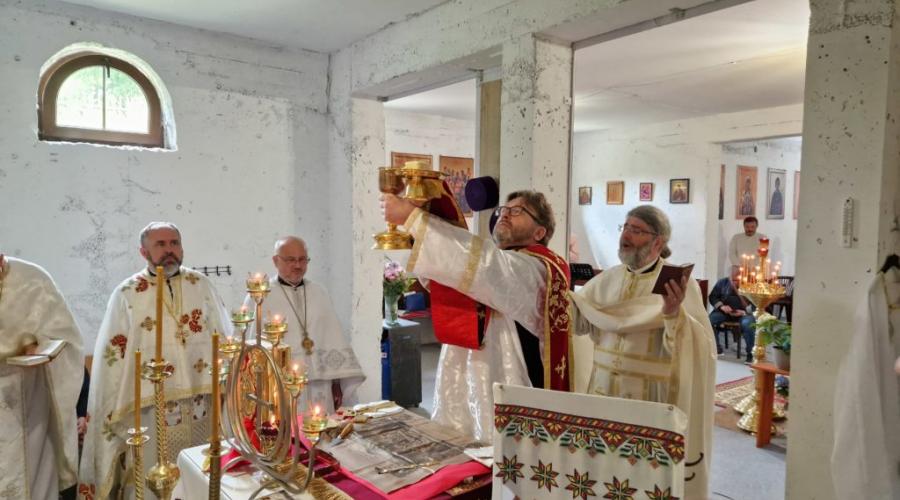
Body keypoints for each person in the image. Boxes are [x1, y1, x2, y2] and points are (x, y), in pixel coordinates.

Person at [381, 190, 571, 441]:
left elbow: (487, 267)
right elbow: (443, 277)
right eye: (503, 210)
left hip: (507, 383)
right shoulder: (505, 261)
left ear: (539, 232)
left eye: (517, 211)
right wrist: (421, 224)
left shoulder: (534, 267)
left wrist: (415, 219)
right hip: (470, 381)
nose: (505, 215)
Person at [568, 205, 716, 500]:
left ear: (658, 242)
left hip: (647, 400)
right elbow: (581, 322)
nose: (625, 235)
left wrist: (673, 314)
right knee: (601, 472)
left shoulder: (678, 286)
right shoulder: (607, 279)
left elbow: (699, 346)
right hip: (602, 394)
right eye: (625, 227)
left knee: (643, 479)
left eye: (636, 230)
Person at [79, 222, 232, 500]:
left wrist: (228, 383)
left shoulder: (201, 285)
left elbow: (224, 336)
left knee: (201, 473)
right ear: (143, 251)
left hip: (202, 403)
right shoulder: (127, 293)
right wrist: (111, 405)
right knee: (152, 478)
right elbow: (111, 356)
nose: (169, 250)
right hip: (148, 406)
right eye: (160, 244)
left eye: (174, 243)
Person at [242, 236, 364, 414]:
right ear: (276, 261)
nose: (297, 265)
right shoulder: (260, 295)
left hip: (320, 382)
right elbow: (252, 344)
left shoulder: (319, 292)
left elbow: (332, 336)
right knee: (286, 426)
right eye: (290, 260)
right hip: (279, 382)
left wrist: (337, 382)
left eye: (302, 259)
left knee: (321, 425)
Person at [0, 254, 84, 499]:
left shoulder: (33, 279)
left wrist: (40, 348)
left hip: (26, 397)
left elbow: (66, 339)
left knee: (32, 480)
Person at [708, 266, 755, 360]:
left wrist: (744, 312)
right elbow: (713, 297)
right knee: (709, 320)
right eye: (732, 280)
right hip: (724, 313)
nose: (734, 283)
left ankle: (751, 353)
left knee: (748, 324)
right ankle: (716, 348)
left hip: (743, 314)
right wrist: (722, 306)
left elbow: (756, 304)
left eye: (737, 280)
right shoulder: (722, 282)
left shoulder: (750, 284)